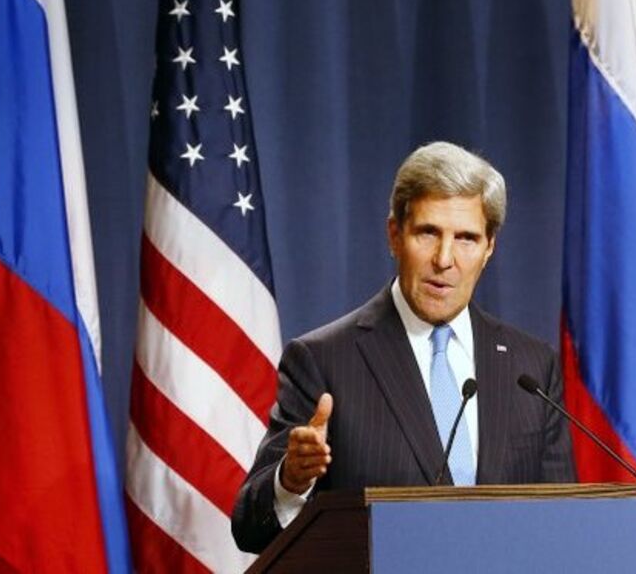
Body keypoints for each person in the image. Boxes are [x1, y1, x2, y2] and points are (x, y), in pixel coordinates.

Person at [232, 141, 574, 554]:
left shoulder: (531, 367)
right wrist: (291, 480)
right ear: (394, 235)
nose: (445, 259)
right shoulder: (323, 361)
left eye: (466, 238)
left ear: (489, 249)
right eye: (428, 233)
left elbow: (560, 522)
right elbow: (250, 529)